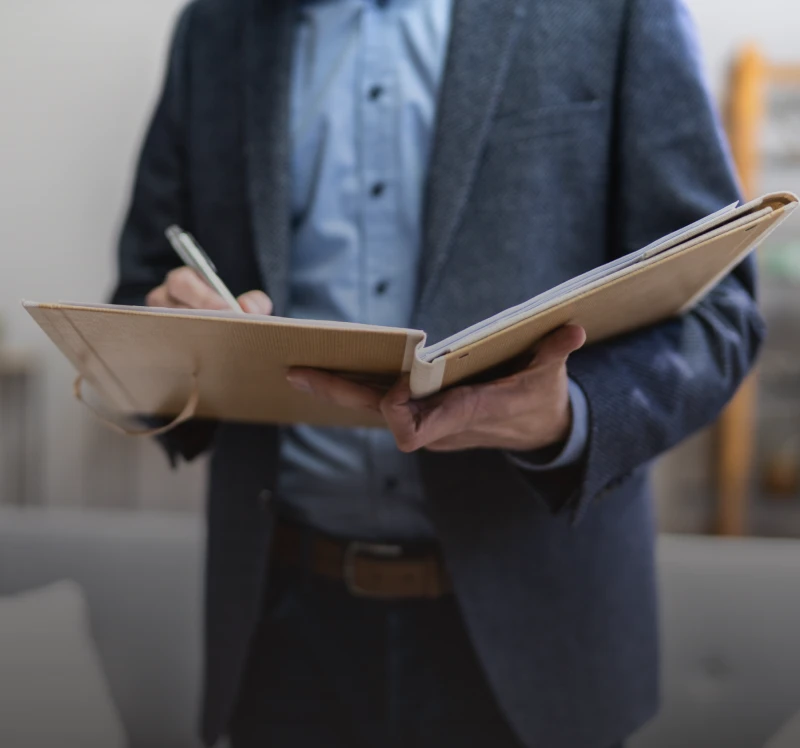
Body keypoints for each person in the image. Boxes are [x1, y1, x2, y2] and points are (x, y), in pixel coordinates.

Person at [112, 0, 764, 746]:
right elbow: (138, 297)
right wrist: (172, 337)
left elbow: (720, 315)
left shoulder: (616, 10)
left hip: (539, 629)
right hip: (281, 627)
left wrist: (568, 417)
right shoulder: (216, 26)